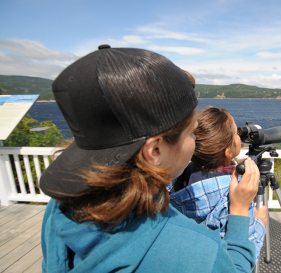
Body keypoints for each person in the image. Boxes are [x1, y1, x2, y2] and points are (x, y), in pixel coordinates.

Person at [39, 45, 260, 272]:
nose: (196, 140)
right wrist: (241, 211)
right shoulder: (197, 252)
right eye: (192, 132)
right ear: (155, 150)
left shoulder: (61, 207)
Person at [170, 106, 267, 260]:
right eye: (236, 132)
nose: (239, 134)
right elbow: (246, 250)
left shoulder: (182, 174)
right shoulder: (235, 192)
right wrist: (259, 224)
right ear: (228, 151)